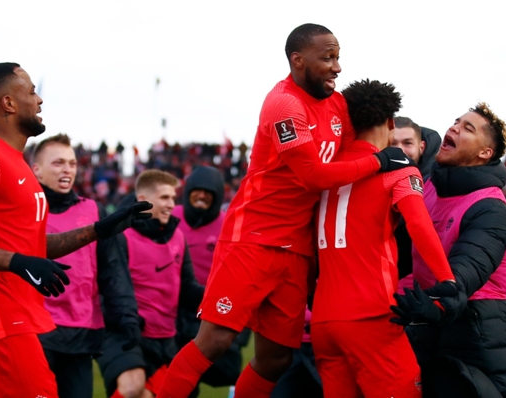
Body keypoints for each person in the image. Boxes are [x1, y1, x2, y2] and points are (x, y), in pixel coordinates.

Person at [157, 23, 412, 398]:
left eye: (338, 57)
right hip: (254, 238)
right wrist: (381, 163)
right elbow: (313, 175)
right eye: (328, 58)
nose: (337, 67)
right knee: (215, 342)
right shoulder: (283, 104)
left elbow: (362, 145)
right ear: (298, 60)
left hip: (297, 247)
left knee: (277, 358)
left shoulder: (339, 105)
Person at [0, 62, 151, 396]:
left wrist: (99, 230)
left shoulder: (14, 162)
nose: (40, 100)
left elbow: (29, 246)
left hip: (9, 321)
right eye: (31, 92)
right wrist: (17, 263)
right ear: (9, 104)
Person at [311, 78, 454, 397]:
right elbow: (420, 225)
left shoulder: (328, 166)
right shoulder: (397, 167)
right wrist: (448, 281)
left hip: (323, 319)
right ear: (390, 123)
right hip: (369, 313)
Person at [391, 102, 506, 398]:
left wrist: (439, 299)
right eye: (456, 122)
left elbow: (468, 268)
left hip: (479, 326)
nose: (454, 128)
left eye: (468, 128)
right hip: (431, 316)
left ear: (485, 153)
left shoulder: (490, 206)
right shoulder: (427, 186)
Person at [32, 133, 141, 398]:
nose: (67, 169)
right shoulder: (26, 210)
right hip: (34, 331)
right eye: (58, 163)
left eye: (71, 163)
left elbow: (112, 270)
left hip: (81, 332)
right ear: (36, 169)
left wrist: (126, 316)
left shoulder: (94, 211)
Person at [96, 169, 205, 398]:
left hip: (166, 337)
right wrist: (129, 318)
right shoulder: (122, 236)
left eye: (174, 198)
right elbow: (110, 288)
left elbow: (187, 287)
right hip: (127, 333)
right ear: (143, 200)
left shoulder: (178, 237)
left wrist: (218, 296)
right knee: (132, 389)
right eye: (164, 197)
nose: (171, 204)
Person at [172, 165, 250, 395]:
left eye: (209, 192)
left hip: (211, 313)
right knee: (179, 379)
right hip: (173, 312)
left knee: (221, 372)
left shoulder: (229, 224)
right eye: (198, 190)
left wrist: (240, 331)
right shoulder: (171, 217)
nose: (203, 195)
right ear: (188, 192)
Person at [391, 116, 442, 291]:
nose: (399, 150)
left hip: (418, 288)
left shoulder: (437, 184)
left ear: (422, 147)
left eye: (407, 143)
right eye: (393, 143)